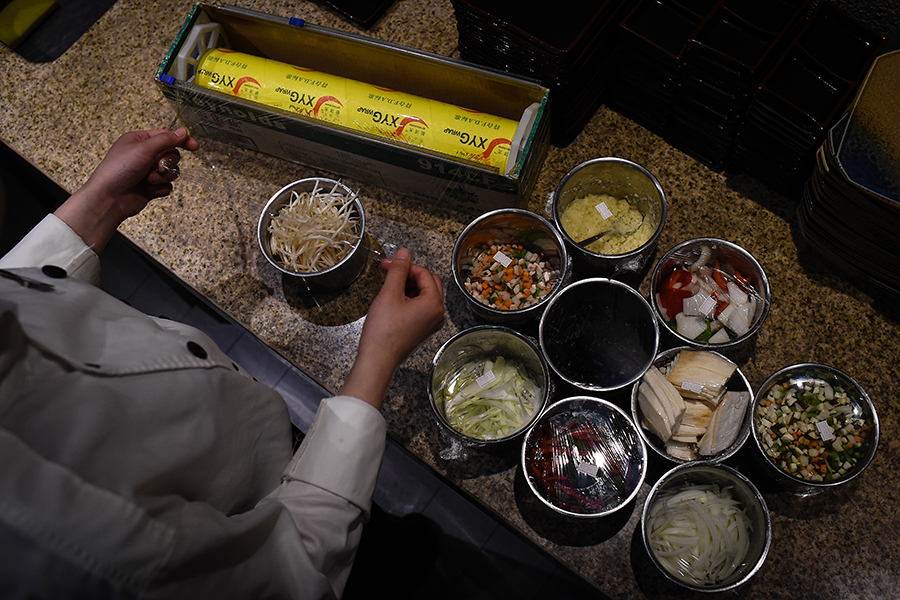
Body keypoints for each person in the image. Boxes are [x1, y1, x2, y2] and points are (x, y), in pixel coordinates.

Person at [0, 129, 446, 599]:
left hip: (249, 424)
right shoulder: (50, 541)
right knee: (379, 565)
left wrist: (102, 201)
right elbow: (291, 572)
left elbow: (20, 296)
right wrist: (378, 356)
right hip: (265, 507)